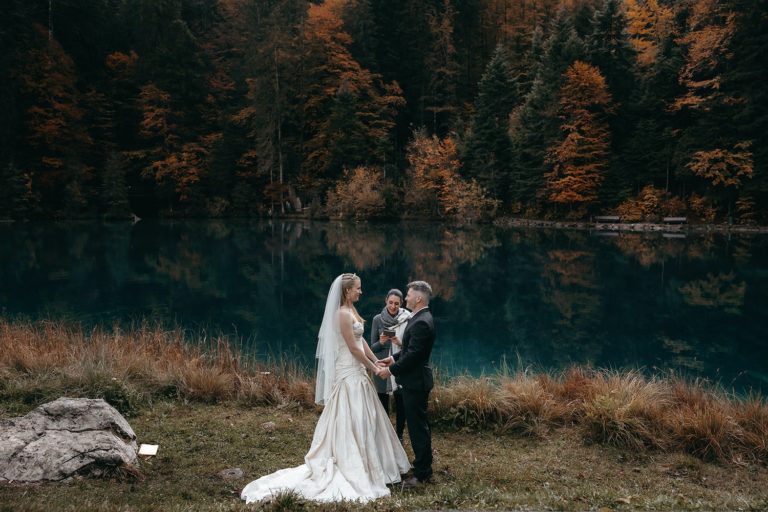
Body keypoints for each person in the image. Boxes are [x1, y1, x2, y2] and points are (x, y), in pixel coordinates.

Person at [241, 273, 410, 503]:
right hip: (348, 372)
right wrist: (372, 367)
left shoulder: (352, 311)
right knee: (350, 417)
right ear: (347, 291)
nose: (361, 291)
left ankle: (375, 464)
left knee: (365, 418)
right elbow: (351, 348)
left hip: (358, 372)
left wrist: (377, 361)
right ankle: (352, 463)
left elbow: (361, 342)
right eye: (357, 288)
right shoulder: (341, 314)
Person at [378, 280, 435, 488]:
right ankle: (424, 466)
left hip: (416, 382)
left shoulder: (421, 321)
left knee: (417, 427)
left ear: (418, 298)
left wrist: (390, 370)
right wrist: (392, 359)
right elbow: (411, 350)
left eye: (409, 294)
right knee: (419, 425)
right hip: (416, 380)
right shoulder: (420, 317)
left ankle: (421, 475)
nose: (407, 298)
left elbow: (413, 357)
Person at [369, 289, 411, 442]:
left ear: (401, 304)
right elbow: (371, 348)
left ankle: (399, 435)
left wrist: (400, 343)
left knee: (401, 402)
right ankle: (385, 436)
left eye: (397, 304)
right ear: (386, 300)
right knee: (382, 402)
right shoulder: (377, 319)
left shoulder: (407, 318)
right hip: (381, 364)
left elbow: (412, 346)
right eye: (391, 302)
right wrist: (381, 342)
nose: (393, 306)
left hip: (399, 363)